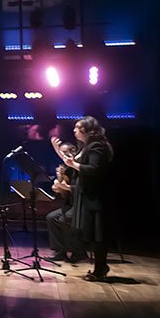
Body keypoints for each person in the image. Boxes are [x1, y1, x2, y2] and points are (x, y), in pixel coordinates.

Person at [56, 116, 115, 281]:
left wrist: (73, 165)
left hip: (95, 197)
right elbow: (71, 163)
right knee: (91, 233)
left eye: (78, 127)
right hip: (87, 195)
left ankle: (100, 268)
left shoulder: (97, 146)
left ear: (87, 130)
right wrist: (59, 152)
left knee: (97, 234)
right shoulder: (86, 146)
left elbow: (94, 169)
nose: (74, 130)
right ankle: (99, 267)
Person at [44, 142, 86, 263]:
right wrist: (59, 188)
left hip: (82, 204)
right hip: (71, 203)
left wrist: (66, 187)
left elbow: (81, 188)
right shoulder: (64, 169)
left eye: (65, 153)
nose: (62, 155)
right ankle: (60, 251)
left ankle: (78, 251)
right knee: (51, 217)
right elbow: (64, 192)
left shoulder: (78, 168)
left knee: (65, 219)